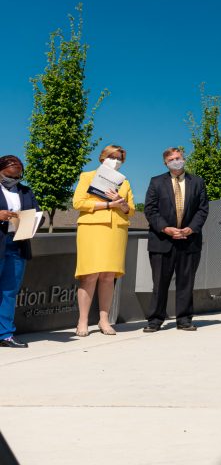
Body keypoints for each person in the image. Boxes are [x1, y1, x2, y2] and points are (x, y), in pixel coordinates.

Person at [71, 144, 135, 337]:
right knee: (89, 275)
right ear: (103, 157)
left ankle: (104, 320)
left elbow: (130, 210)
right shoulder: (87, 176)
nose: (116, 161)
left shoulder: (124, 182)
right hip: (93, 228)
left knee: (108, 276)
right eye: (113, 157)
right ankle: (82, 321)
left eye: (120, 159)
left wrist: (121, 203)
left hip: (116, 230)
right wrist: (108, 204)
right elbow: (78, 203)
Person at [143, 148, 209, 332]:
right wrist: (166, 229)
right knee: (159, 283)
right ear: (165, 163)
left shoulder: (197, 182)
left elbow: (202, 209)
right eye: (171, 159)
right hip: (162, 241)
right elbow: (150, 210)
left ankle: (184, 320)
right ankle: (155, 320)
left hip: (189, 240)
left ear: (184, 159)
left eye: (178, 158)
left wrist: (191, 229)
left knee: (186, 282)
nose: (175, 161)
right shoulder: (156, 182)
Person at [0, 156, 37, 348]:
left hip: (17, 245)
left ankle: (5, 334)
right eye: (8, 174)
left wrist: (30, 221)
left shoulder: (26, 191)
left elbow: (37, 215)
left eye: (18, 175)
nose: (14, 178)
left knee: (9, 291)